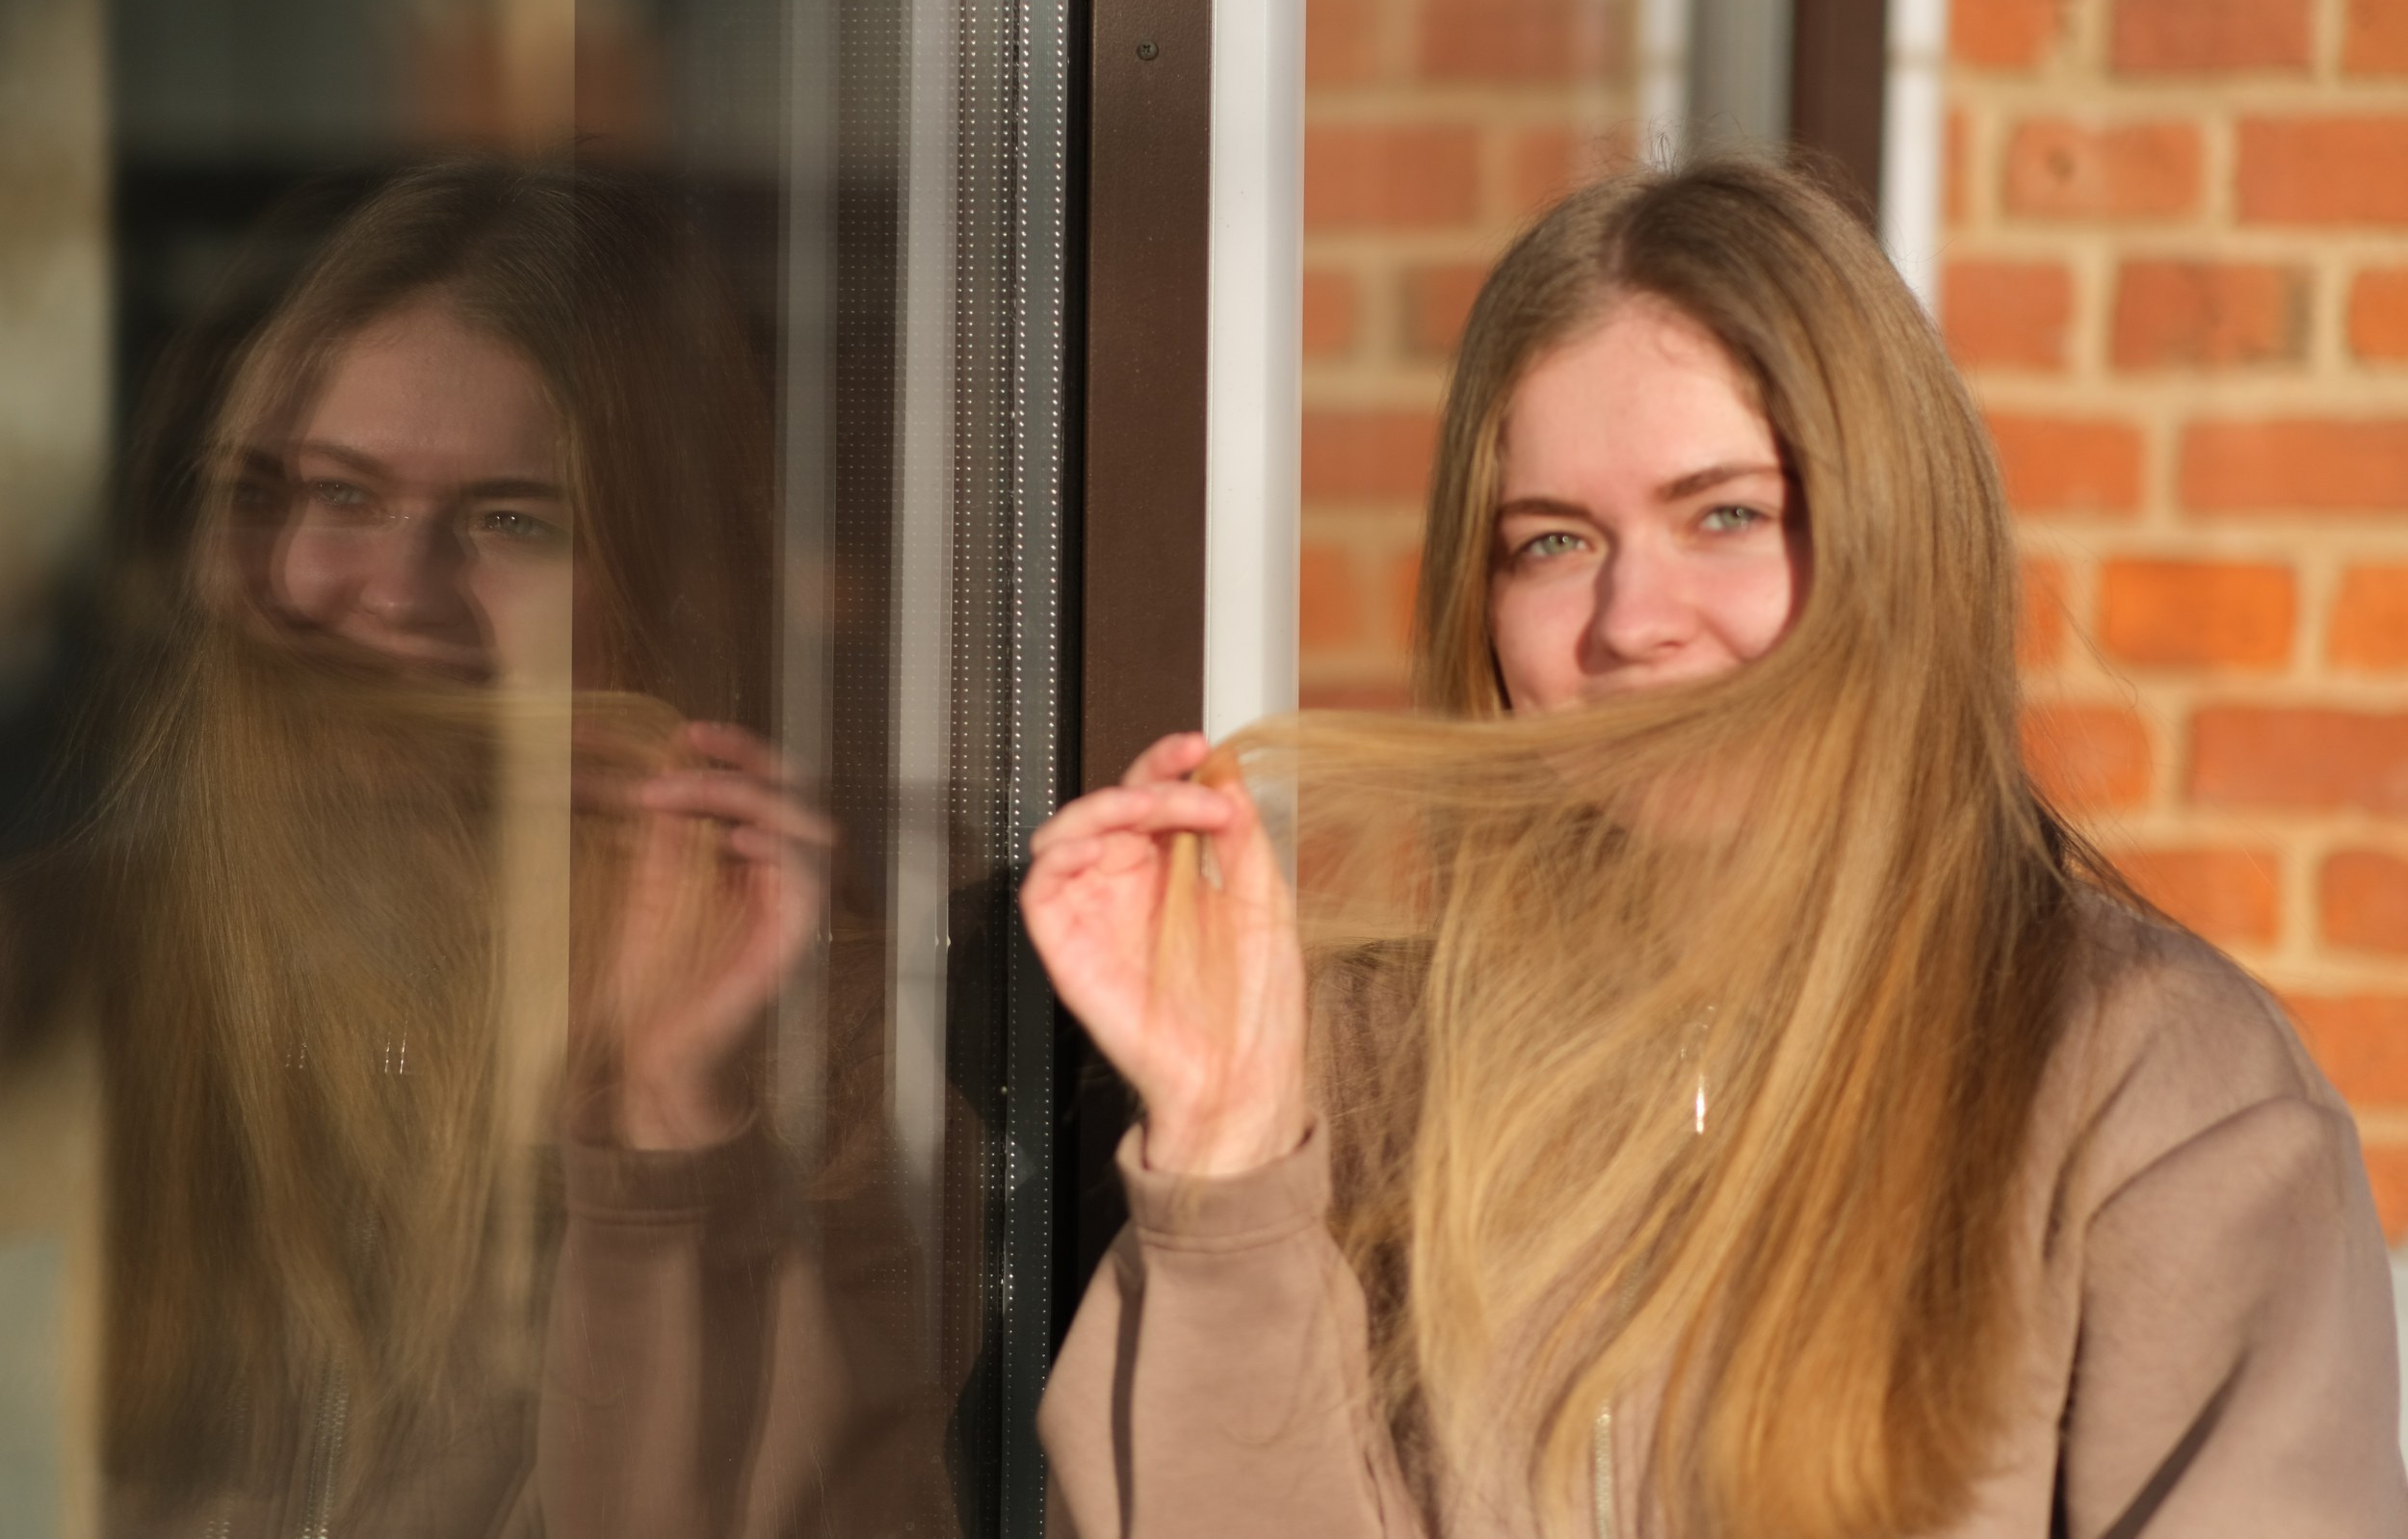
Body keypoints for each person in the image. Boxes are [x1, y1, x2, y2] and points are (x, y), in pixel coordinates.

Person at [1022, 157, 2408, 1539]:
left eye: (1728, 515)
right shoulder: (1364, 1074)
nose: (1635, 618)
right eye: (1554, 541)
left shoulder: (2147, 1085)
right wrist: (1230, 1155)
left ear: (1895, 539)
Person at [75, 162, 953, 1536]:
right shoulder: (77, 969)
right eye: (327, 496)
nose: (373, 593)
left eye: (511, 522)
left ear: (676, 583)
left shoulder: (803, 1052)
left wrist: (669, 1140)